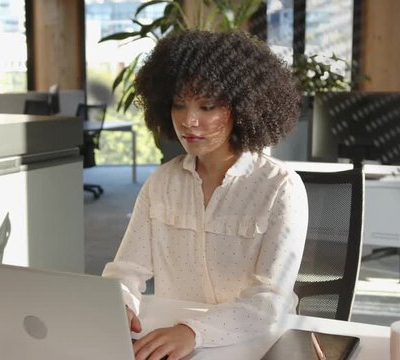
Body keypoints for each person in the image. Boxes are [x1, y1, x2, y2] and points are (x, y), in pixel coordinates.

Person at [102, 30, 308, 360]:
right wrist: (120, 303)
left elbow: (272, 298)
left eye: (207, 106)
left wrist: (195, 332)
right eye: (179, 105)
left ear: (243, 108)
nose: (188, 121)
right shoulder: (162, 183)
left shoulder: (279, 188)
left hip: (251, 344)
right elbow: (126, 270)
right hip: (173, 344)